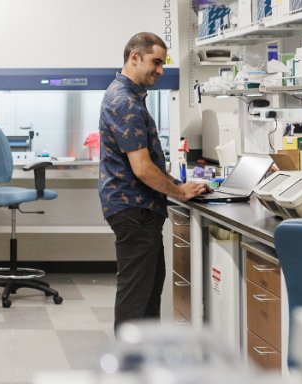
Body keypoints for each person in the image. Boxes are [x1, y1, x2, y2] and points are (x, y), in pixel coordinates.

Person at [98, 33, 211, 333]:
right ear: (134, 57)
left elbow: (147, 165)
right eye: (156, 62)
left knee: (148, 287)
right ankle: (129, 365)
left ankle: (144, 359)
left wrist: (179, 183)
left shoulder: (129, 95)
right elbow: (142, 168)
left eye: (162, 64)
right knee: (137, 294)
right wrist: (179, 191)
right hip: (134, 208)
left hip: (137, 206)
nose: (160, 70)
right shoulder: (125, 101)